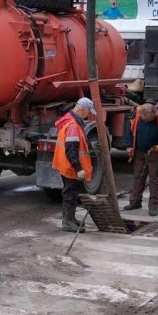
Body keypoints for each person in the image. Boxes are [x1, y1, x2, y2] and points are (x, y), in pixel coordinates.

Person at [52, 97, 96, 232]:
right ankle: (67, 222)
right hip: (70, 166)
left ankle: (70, 218)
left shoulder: (71, 122)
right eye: (88, 112)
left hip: (66, 165)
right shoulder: (73, 125)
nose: (88, 115)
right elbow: (72, 149)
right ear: (82, 110)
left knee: (72, 192)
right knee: (70, 193)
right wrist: (79, 169)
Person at [123, 103, 158, 216]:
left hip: (155, 151)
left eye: (146, 117)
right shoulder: (137, 115)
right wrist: (129, 145)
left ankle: (153, 206)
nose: (144, 119)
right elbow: (130, 130)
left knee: (155, 179)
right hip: (139, 151)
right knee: (138, 176)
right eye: (142, 116)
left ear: (154, 114)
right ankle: (135, 201)